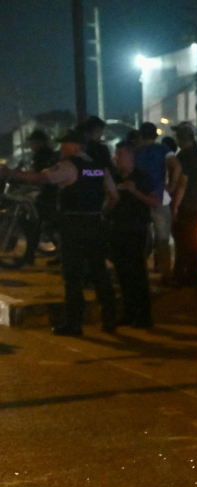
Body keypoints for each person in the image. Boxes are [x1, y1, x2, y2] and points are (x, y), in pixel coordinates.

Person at [1, 128, 119, 336]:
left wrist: (11, 173)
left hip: (73, 225)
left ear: (76, 146)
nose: (62, 148)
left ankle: (74, 323)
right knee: (98, 270)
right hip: (94, 223)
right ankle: (109, 317)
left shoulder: (68, 165)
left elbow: (43, 178)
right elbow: (113, 196)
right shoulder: (100, 167)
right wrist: (100, 213)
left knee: (72, 274)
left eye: (65, 144)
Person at [109, 140, 157, 327]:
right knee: (122, 274)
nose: (116, 158)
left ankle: (144, 317)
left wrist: (134, 191)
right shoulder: (113, 176)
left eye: (119, 154)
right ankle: (128, 313)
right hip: (117, 228)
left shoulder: (143, 177)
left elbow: (154, 202)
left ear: (130, 156)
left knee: (137, 273)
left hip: (136, 230)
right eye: (115, 154)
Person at [134, 122, 182, 280]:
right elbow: (176, 166)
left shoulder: (136, 152)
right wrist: (171, 186)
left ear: (140, 135)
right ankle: (166, 274)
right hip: (160, 198)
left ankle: (139, 274)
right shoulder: (163, 150)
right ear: (156, 135)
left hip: (140, 198)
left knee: (142, 239)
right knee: (162, 240)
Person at [169, 122, 197, 287]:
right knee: (194, 241)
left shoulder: (184, 156)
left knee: (182, 242)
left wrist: (175, 205)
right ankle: (194, 276)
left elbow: (183, 183)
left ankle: (182, 277)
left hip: (186, 205)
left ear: (180, 139)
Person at [21, 129, 60, 266]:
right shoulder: (46, 153)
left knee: (34, 225)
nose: (31, 145)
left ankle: (29, 256)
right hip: (50, 195)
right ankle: (61, 254)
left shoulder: (41, 155)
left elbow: (38, 175)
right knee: (49, 226)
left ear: (38, 142)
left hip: (47, 195)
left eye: (32, 142)